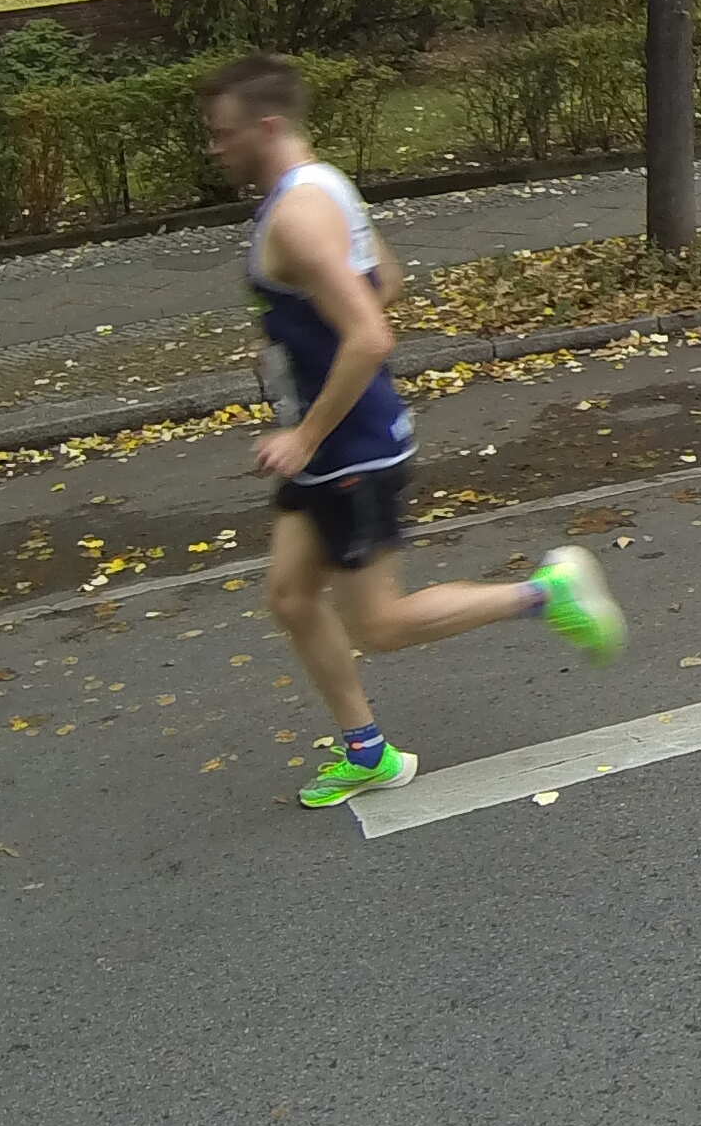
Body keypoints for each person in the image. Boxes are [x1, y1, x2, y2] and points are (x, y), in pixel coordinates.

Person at [203, 53, 625, 809]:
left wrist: (304, 434)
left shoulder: (297, 215)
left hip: (347, 449)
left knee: (381, 624)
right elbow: (385, 282)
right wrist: (300, 342)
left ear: (266, 127)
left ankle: (544, 593)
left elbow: (370, 334)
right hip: (329, 444)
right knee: (291, 597)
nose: (215, 148)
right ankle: (368, 753)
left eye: (223, 133)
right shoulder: (323, 186)